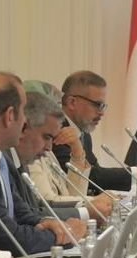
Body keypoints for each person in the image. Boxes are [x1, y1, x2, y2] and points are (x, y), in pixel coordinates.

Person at [0, 72, 82, 253]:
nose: (26, 120)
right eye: (23, 110)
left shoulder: (2, 159)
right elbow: (8, 237)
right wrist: (62, 235)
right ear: (10, 115)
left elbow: (24, 214)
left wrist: (50, 223)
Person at [53, 70, 137, 193]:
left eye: (103, 106)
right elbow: (89, 176)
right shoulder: (55, 131)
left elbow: (96, 175)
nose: (101, 113)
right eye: (97, 105)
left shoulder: (83, 134)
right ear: (72, 102)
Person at [12, 91, 95, 223]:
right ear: (24, 127)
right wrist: (92, 205)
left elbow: (74, 194)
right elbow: (45, 201)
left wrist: (77, 152)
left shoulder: (46, 153)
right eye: (46, 137)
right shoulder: (28, 158)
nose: (49, 147)